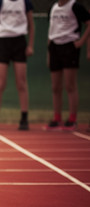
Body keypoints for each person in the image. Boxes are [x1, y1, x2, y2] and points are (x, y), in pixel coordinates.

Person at [0, 0, 35, 131]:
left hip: (19, 41)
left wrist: (30, 45)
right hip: (2, 42)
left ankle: (24, 117)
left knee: (21, 82)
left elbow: (31, 25)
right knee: (0, 82)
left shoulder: (25, 3)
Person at [45, 0, 90, 131]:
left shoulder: (75, 6)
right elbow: (51, 30)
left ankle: (72, 119)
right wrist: (49, 53)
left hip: (69, 46)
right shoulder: (52, 7)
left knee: (70, 85)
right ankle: (57, 118)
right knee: (55, 87)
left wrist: (81, 42)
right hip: (55, 47)